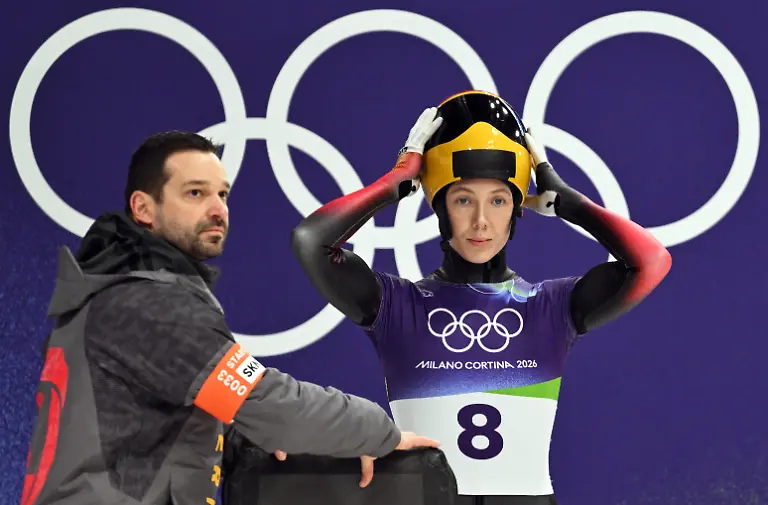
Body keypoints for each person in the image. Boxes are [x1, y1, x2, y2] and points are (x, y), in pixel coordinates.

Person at [290, 91, 672, 504]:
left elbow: (651, 261)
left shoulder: (551, 307)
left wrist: (567, 200)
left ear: (518, 207)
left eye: (498, 200)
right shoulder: (396, 306)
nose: (481, 221)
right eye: (462, 200)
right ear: (439, 207)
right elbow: (311, 242)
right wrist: (394, 182)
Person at [21, 131, 439, 505]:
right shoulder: (144, 303)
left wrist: (311, 438)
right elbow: (266, 402)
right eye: (195, 193)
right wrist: (379, 434)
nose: (218, 208)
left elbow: (170, 428)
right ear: (143, 208)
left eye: (222, 194)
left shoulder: (120, 288)